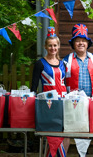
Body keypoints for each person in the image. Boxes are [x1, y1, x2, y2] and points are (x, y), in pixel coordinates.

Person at [31, 27, 68, 156]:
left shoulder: (63, 63)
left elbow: (66, 83)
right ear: (45, 47)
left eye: (55, 45)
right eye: (50, 45)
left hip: (63, 102)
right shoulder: (40, 63)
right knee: (53, 136)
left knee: (61, 135)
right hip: (49, 103)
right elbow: (34, 86)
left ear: (58, 46)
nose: (53, 48)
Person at [63, 23, 93, 97]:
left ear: (87, 43)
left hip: (92, 101)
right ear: (73, 44)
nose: (81, 43)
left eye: (83, 40)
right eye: (77, 41)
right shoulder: (66, 61)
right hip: (72, 102)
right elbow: (62, 83)